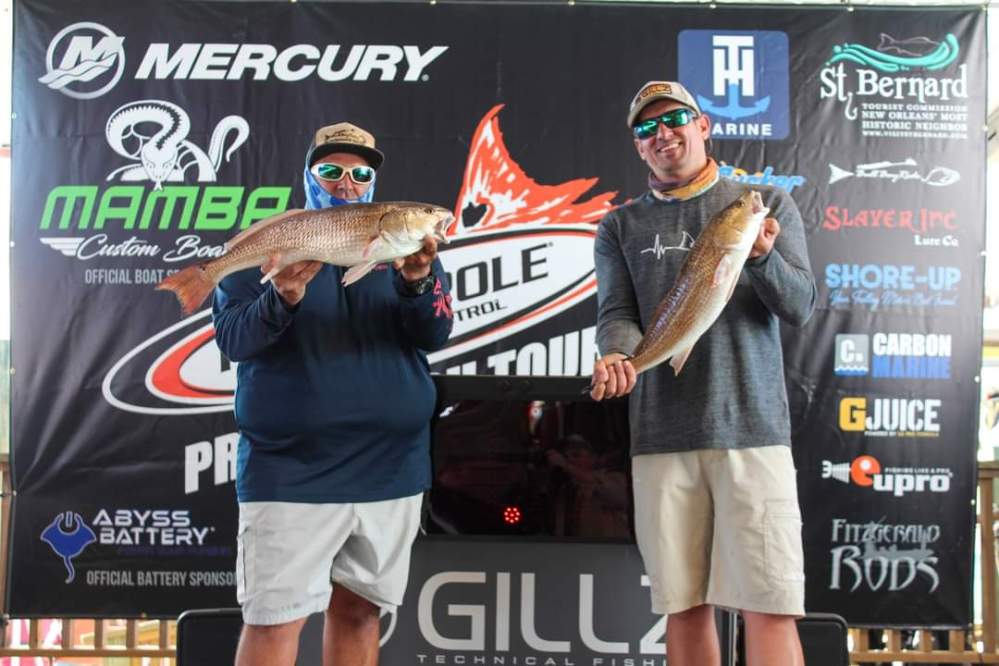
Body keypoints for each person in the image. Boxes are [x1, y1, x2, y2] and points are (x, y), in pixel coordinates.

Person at [589, 81, 816, 666]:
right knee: (683, 607)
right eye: (647, 128)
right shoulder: (619, 226)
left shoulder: (763, 201)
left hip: (752, 431)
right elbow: (617, 313)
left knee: (769, 606)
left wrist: (762, 256)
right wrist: (617, 353)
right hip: (662, 436)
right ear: (639, 147)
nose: (663, 133)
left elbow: (799, 306)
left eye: (675, 119)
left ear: (704, 124)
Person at [213, 122, 454, 666]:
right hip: (291, 469)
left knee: (361, 613)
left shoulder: (410, 251)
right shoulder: (269, 242)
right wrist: (283, 296)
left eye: (361, 173)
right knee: (274, 621)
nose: (347, 182)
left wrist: (417, 283)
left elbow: (435, 333)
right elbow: (233, 340)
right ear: (309, 175)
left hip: (390, 468)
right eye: (332, 170)